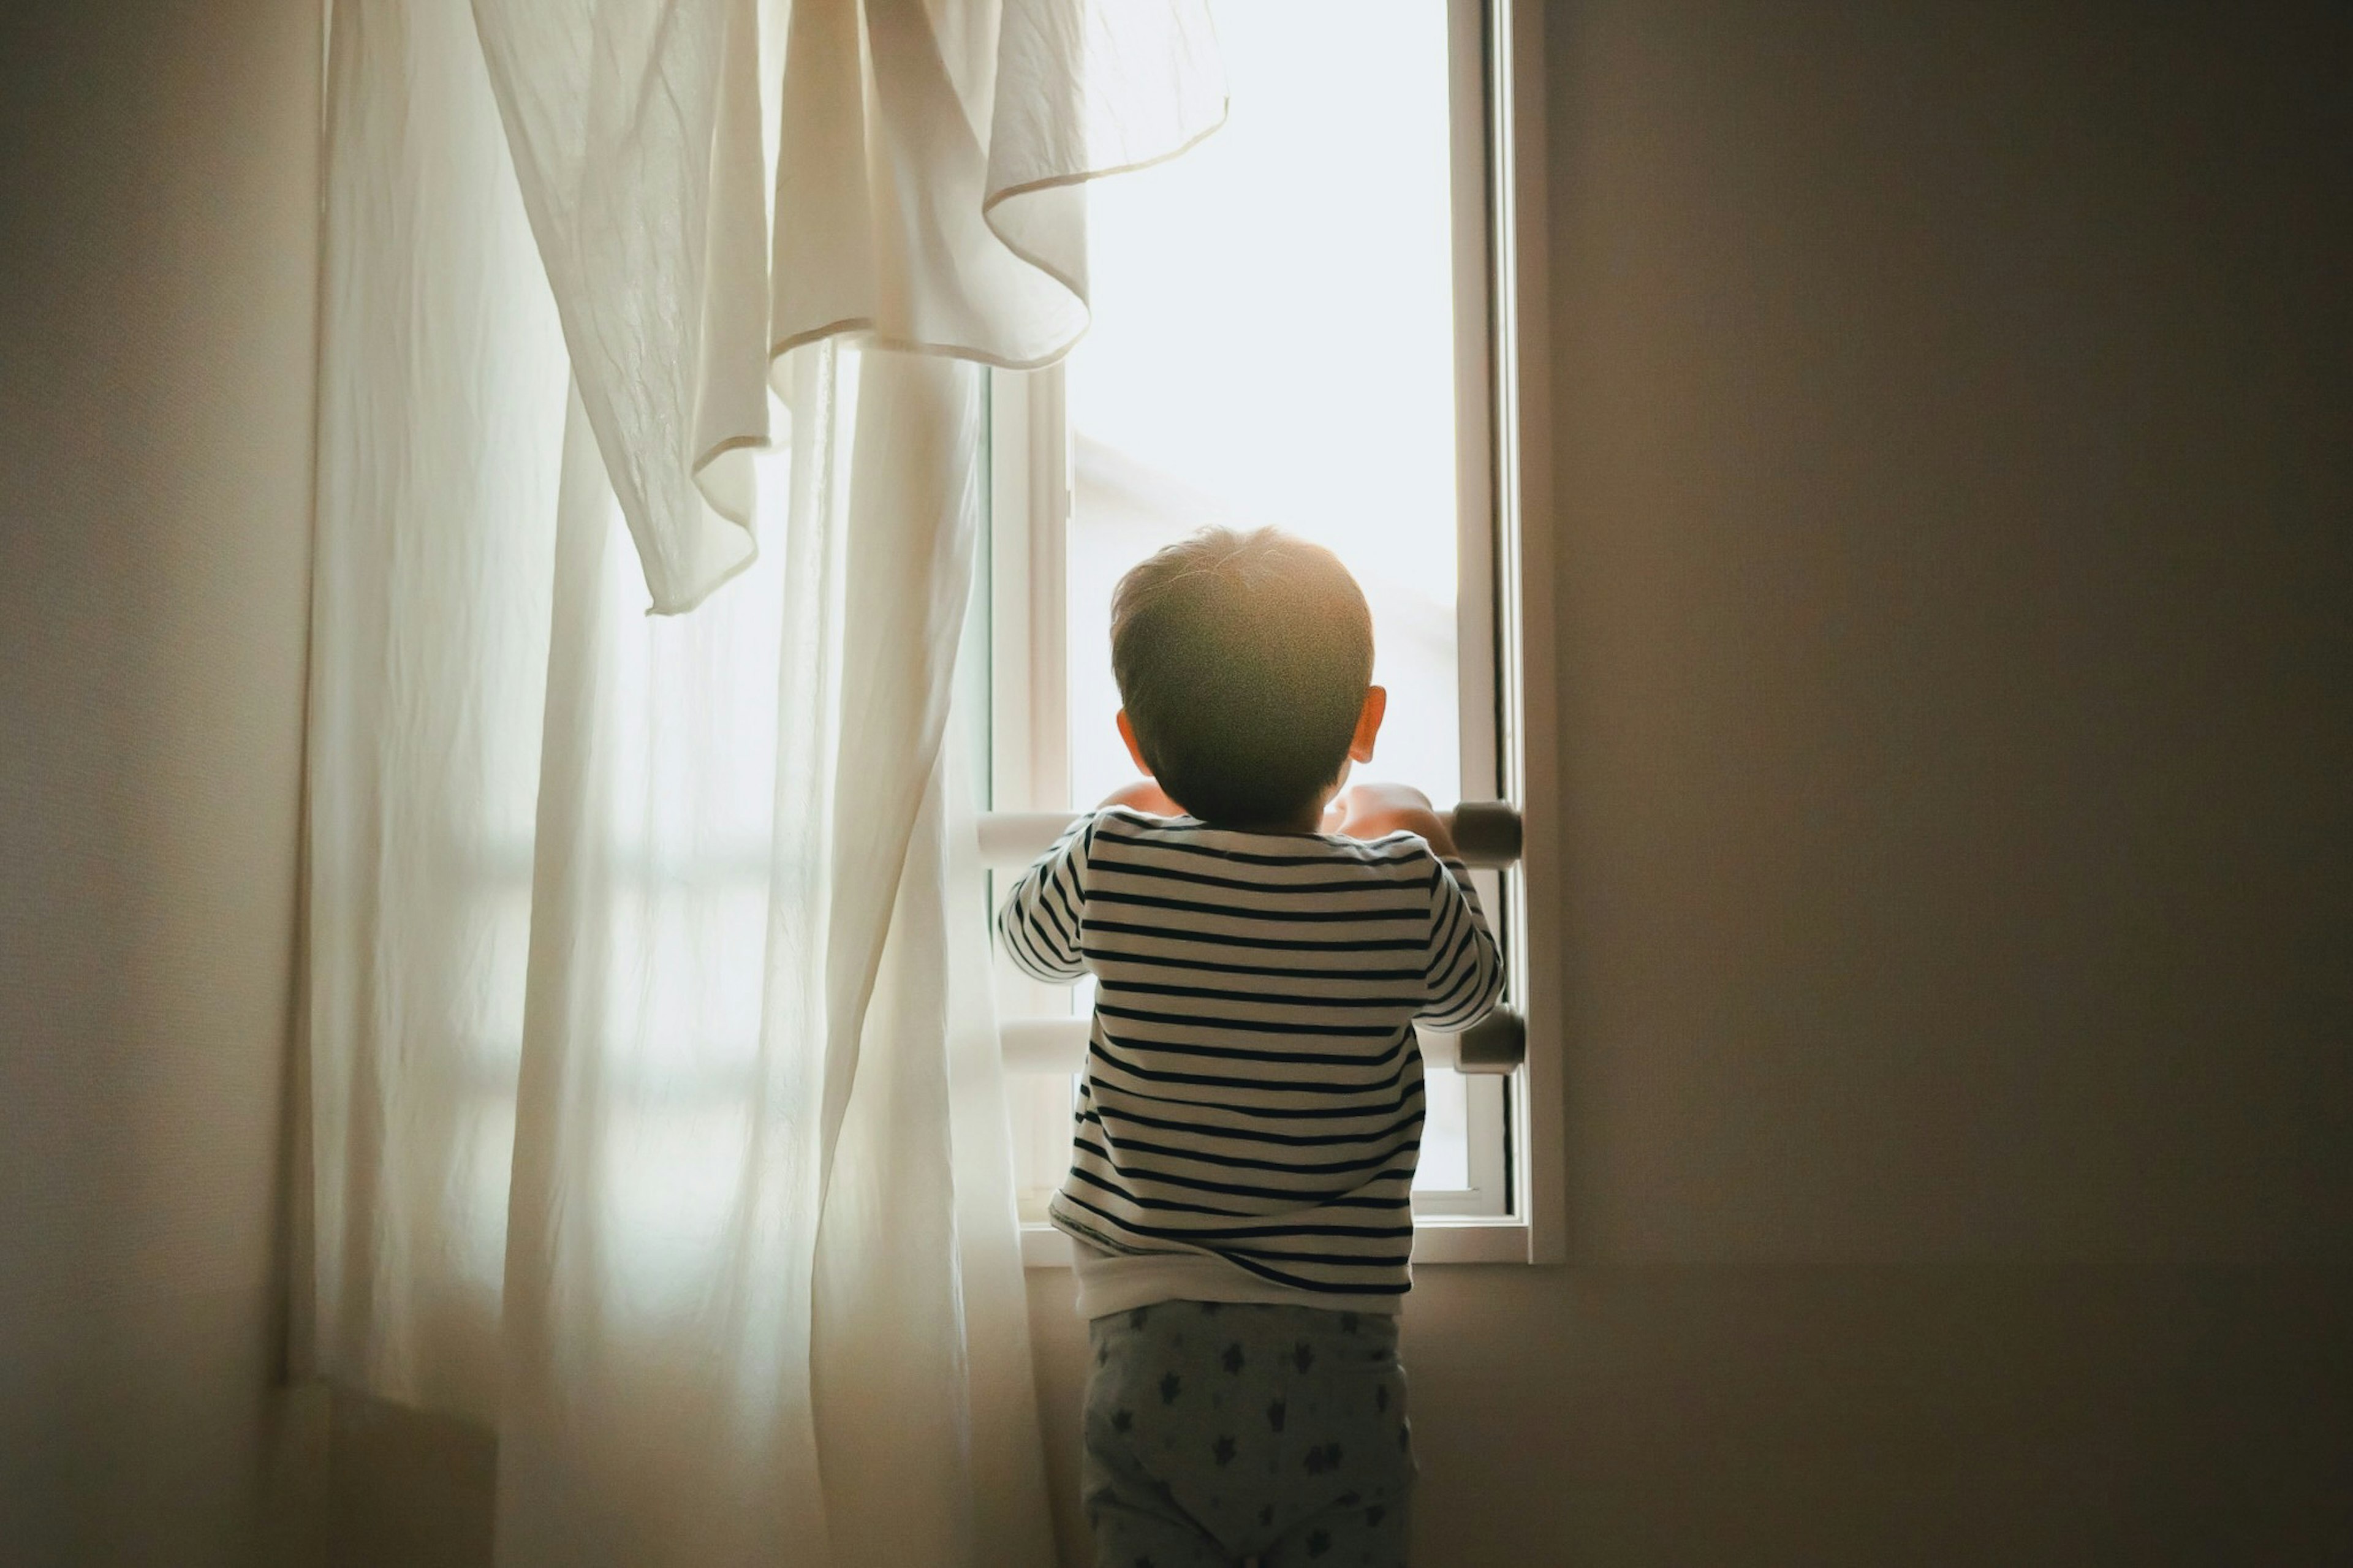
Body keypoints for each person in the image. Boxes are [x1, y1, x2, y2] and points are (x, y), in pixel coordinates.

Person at [997, 526, 1505, 1568]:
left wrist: (1113, 816)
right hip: (1340, 1356)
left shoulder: (1114, 860)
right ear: (1365, 724)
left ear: (1139, 744)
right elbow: (1472, 989)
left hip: (1150, 1345)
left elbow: (1024, 942)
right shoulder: (1399, 884)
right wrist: (1428, 837)